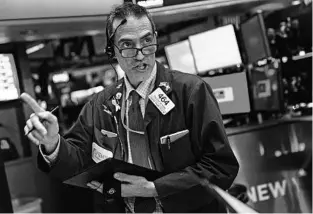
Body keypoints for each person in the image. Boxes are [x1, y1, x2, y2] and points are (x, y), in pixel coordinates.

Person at [22, 2, 239, 213]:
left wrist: (155, 189)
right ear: (112, 51)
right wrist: (53, 143)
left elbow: (220, 167)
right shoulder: (99, 105)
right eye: (127, 45)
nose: (140, 54)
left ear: (155, 38)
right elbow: (79, 163)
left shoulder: (191, 91)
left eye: (147, 41)